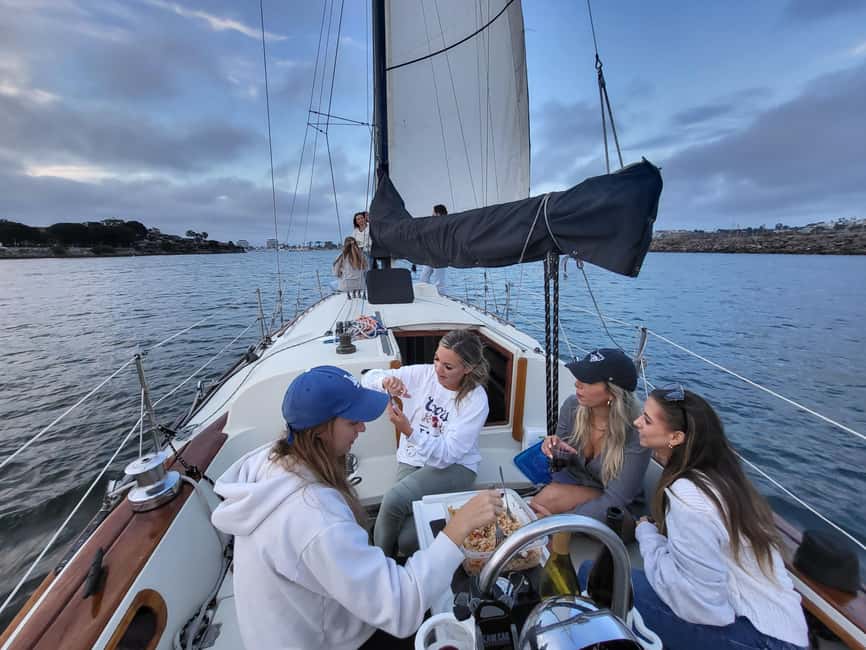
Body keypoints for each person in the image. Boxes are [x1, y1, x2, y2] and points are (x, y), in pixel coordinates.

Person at [211, 366, 503, 650]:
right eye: (353, 422)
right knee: (450, 621)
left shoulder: (270, 458)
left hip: (309, 619)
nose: (362, 428)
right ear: (320, 432)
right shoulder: (315, 517)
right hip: (329, 640)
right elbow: (401, 608)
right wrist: (458, 527)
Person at [586, 385, 808, 650]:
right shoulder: (721, 476)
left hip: (762, 640)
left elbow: (703, 607)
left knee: (592, 577)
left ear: (676, 437)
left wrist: (647, 537)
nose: (636, 422)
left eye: (646, 419)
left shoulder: (688, 498)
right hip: (781, 627)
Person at [361, 328, 490, 557]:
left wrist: (409, 431)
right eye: (436, 359)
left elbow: (447, 455)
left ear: (467, 369)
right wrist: (386, 381)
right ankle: (383, 564)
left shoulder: (476, 400)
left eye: (448, 367)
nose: (438, 369)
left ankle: (382, 561)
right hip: (414, 458)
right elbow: (367, 378)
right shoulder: (424, 375)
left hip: (456, 467)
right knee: (401, 527)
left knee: (400, 522)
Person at [531, 348, 649, 537]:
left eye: (588, 379)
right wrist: (555, 451)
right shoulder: (572, 407)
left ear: (613, 393)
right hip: (578, 486)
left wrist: (557, 523)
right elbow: (559, 468)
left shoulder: (635, 432)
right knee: (538, 505)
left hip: (618, 512)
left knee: (544, 505)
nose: (578, 383)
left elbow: (616, 500)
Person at [418, 204, 448, 292]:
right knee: (423, 278)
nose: (432, 215)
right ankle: (425, 294)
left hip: (440, 256)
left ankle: (441, 298)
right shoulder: (432, 225)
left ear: (438, 214)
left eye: (433, 213)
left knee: (439, 281)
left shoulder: (446, 225)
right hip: (430, 254)